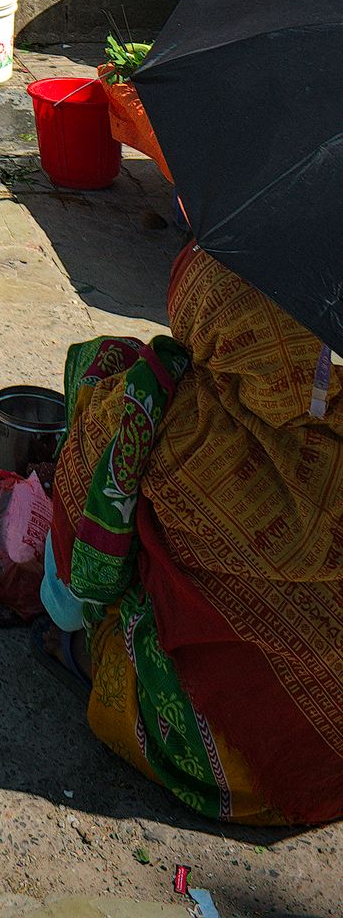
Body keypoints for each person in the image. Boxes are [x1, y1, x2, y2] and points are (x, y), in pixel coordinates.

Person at [41, 243, 342, 826]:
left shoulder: (182, 429)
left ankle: (131, 692)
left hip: (247, 765)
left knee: (107, 377)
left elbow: (75, 580)